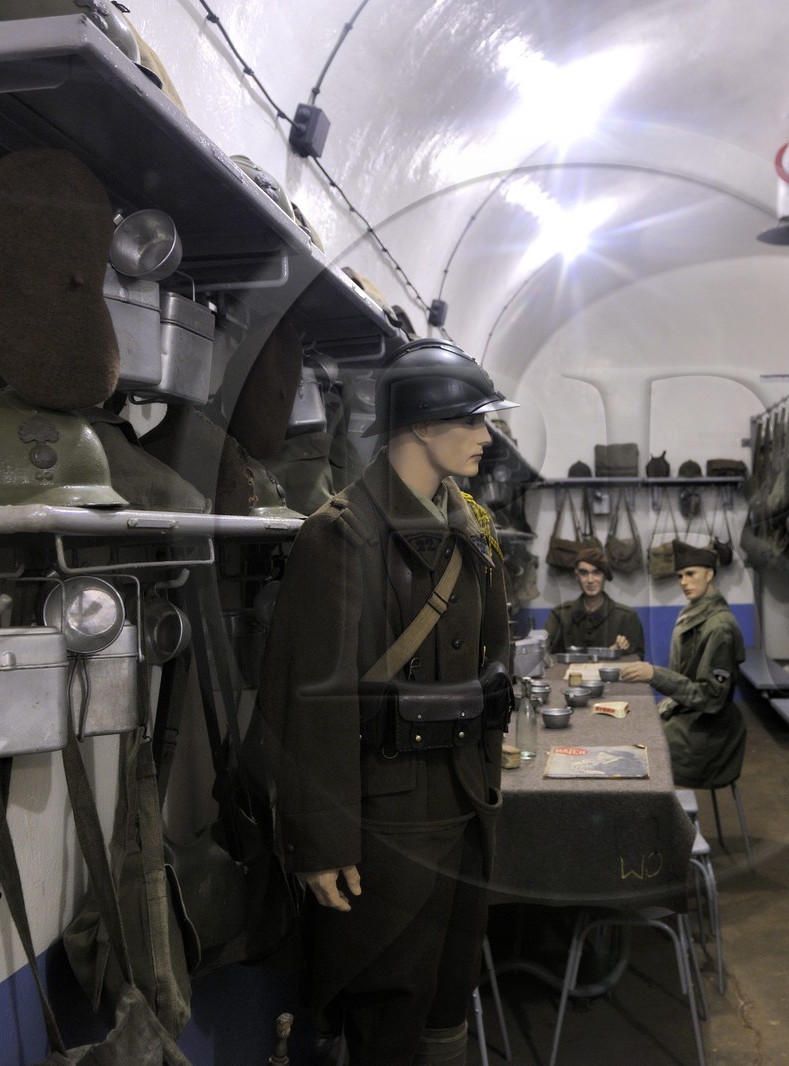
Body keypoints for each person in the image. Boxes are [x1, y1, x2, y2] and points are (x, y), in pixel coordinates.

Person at [258, 339, 517, 1065]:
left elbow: (492, 661)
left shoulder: (470, 532)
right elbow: (312, 699)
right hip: (386, 823)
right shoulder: (342, 536)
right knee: (387, 1008)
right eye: (471, 420)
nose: (486, 437)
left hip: (463, 803)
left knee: (447, 994)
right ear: (422, 426)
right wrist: (323, 841)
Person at [618, 540, 746, 790]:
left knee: (635, 749)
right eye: (679, 576)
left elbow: (710, 698)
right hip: (687, 718)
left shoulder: (719, 627)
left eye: (690, 574)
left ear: (709, 574)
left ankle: (657, 823)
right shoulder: (694, 613)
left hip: (707, 733)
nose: (683, 582)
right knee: (631, 727)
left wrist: (655, 674)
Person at [543, 545, 645, 655]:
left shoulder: (626, 618)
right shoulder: (560, 616)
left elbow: (637, 662)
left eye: (596, 572)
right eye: (584, 573)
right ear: (577, 576)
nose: (590, 580)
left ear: (604, 575)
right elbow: (544, 655)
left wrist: (622, 650)